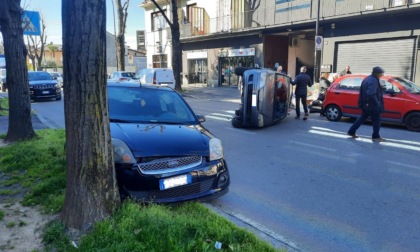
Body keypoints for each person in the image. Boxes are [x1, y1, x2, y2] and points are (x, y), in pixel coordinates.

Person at [347, 66, 385, 142]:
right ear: (377, 73)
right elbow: (371, 93)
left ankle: (351, 131)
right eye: (381, 73)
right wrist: (377, 103)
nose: (382, 75)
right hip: (371, 104)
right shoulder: (373, 80)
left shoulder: (368, 78)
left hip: (366, 104)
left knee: (362, 118)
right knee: (377, 119)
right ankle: (376, 136)